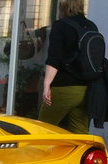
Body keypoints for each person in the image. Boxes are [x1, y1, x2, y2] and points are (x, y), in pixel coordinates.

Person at [38, 0, 96, 133]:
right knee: (80, 133)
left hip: (64, 88)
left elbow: (54, 59)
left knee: (43, 129)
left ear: (62, 6)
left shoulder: (61, 26)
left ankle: (46, 154)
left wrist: (47, 85)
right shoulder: (91, 26)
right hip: (87, 89)